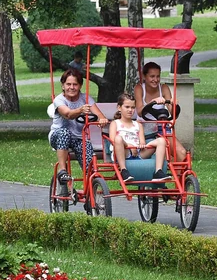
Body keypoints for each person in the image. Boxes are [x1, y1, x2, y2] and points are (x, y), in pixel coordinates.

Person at [49, 69, 108, 197]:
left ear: (80, 85)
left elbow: (99, 114)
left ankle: (90, 193)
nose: (72, 87)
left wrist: (101, 119)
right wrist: (80, 110)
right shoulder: (59, 100)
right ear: (63, 86)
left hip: (79, 138)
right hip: (58, 136)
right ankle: (62, 170)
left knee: (89, 165)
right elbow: (67, 114)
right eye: (68, 84)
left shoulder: (85, 98)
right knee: (64, 133)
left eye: (75, 84)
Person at [108, 92, 170, 183]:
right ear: (119, 108)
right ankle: (123, 170)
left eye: (133, 107)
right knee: (118, 138)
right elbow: (113, 140)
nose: (130, 110)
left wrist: (141, 145)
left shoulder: (138, 125)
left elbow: (142, 142)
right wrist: (129, 146)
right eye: (127, 107)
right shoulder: (115, 123)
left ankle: (158, 171)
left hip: (138, 153)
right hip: (123, 152)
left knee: (161, 140)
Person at [134, 61, 188, 162]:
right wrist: (153, 102)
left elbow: (172, 113)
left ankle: (177, 172)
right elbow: (140, 111)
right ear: (144, 76)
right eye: (152, 76)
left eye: (158, 76)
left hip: (162, 127)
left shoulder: (164, 88)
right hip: (144, 128)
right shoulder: (139, 88)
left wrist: (173, 104)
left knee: (181, 152)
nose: (155, 80)